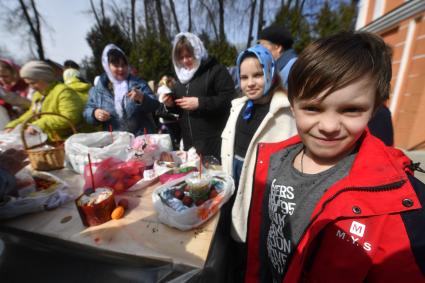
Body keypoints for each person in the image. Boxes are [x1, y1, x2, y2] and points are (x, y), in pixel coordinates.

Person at [243, 32, 425, 282]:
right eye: (313, 108)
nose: (329, 126)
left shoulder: (399, 206)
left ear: (374, 109)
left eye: (351, 110)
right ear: (292, 104)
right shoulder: (275, 160)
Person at [215, 44, 297, 282]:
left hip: (260, 186)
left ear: (271, 72)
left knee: (252, 240)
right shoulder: (239, 107)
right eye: (244, 77)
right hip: (234, 177)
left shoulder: (283, 112)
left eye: (258, 75)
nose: (250, 83)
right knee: (232, 232)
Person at [163, 32, 235, 159]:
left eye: (189, 55)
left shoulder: (215, 70)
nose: (185, 61)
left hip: (214, 143)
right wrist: (171, 104)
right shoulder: (181, 79)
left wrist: (200, 103)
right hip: (190, 145)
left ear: (197, 51)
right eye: (181, 57)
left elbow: (229, 99)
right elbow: (181, 110)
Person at [83, 44, 160, 135]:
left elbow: (155, 105)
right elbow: (87, 111)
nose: (121, 69)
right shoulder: (98, 90)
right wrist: (94, 113)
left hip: (142, 140)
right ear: (107, 66)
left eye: (123, 65)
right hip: (115, 141)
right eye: (116, 65)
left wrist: (142, 98)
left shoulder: (139, 83)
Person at [5, 60, 85, 141]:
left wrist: (40, 124)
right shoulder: (38, 95)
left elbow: (70, 118)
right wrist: (15, 125)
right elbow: (32, 113)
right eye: (28, 84)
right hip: (52, 141)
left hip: (69, 140)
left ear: (45, 78)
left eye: (33, 83)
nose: (31, 87)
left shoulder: (63, 92)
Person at [0, 59, 30, 126]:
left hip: (25, 121)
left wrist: (6, 95)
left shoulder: (26, 85)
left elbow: (31, 104)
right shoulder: (2, 87)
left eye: (5, 76)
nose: (2, 79)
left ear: (14, 73)